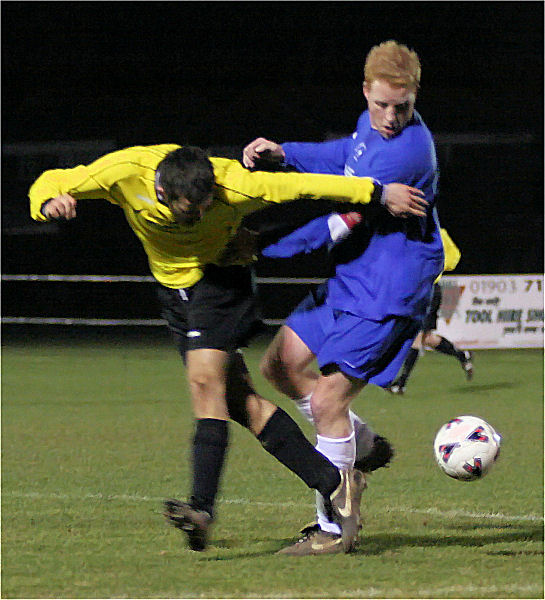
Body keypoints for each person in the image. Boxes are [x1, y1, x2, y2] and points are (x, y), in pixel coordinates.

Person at [29, 143, 427, 554]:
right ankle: (335, 482)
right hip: (174, 294)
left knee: (205, 387)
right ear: (161, 191)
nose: (199, 216)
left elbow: (304, 186)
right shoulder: (124, 171)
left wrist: (378, 193)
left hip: (220, 283)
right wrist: (48, 202)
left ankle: (202, 509)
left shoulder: (234, 185)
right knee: (242, 404)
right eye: (189, 210)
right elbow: (53, 180)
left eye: (204, 207)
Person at [243, 40, 444, 554]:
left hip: (386, 294)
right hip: (350, 279)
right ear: (365, 92)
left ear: (416, 96)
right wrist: (285, 154)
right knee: (280, 367)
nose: (391, 117)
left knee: (328, 398)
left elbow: (337, 219)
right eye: (381, 104)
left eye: (402, 106)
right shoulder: (368, 127)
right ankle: (360, 443)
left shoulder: (409, 153)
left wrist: (261, 248)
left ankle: (334, 528)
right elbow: (342, 156)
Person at [388, 231, 473, 394]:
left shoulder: (438, 233)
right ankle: (463, 355)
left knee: (416, 337)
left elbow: (454, 256)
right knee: (427, 339)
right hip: (414, 290)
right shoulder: (406, 232)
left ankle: (401, 383)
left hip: (429, 290)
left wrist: (435, 266)